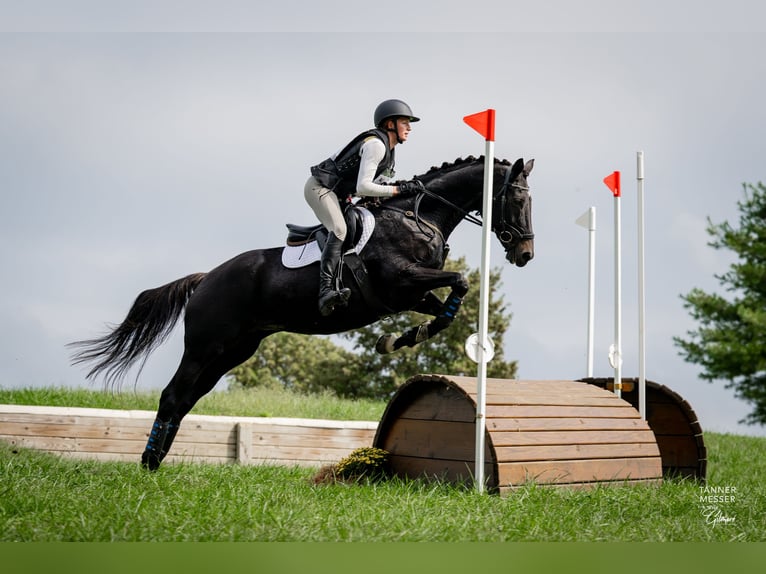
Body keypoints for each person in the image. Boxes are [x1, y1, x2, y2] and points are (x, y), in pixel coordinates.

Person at [305, 99, 425, 316]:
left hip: (340, 195)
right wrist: (399, 190)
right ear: (390, 124)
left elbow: (370, 188)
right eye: (405, 122)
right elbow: (363, 187)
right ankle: (325, 291)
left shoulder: (389, 152)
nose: (409, 128)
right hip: (320, 189)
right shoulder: (376, 145)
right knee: (339, 230)